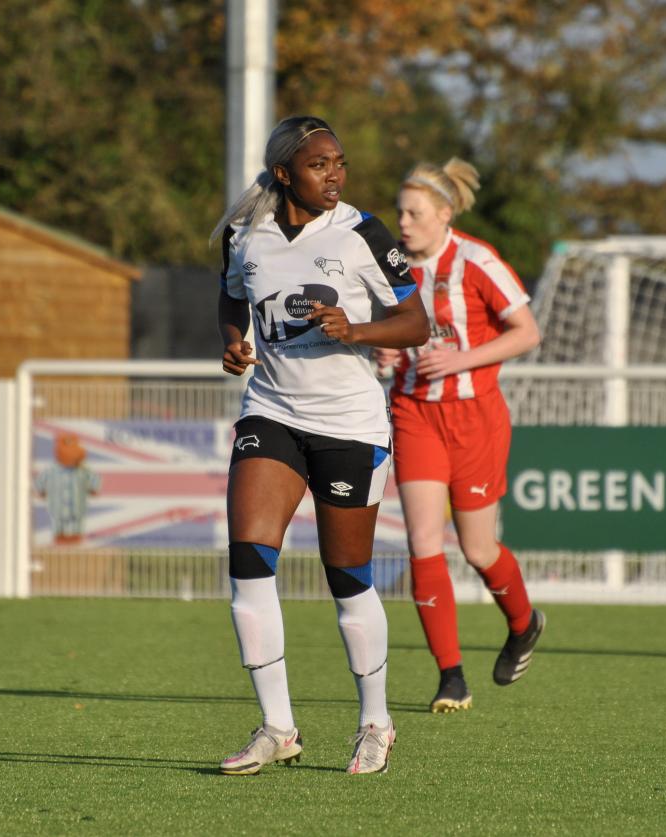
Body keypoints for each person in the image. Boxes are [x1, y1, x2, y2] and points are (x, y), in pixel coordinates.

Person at [210, 115, 428, 776]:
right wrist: (233, 338)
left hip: (349, 422)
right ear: (285, 172)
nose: (335, 174)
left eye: (339, 162)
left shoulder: (363, 231)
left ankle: (376, 722)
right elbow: (229, 296)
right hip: (271, 411)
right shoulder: (244, 234)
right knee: (248, 563)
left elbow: (417, 320)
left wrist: (356, 330)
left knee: (346, 577)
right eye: (319, 164)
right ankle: (277, 725)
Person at [374, 158, 544, 714]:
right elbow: (387, 333)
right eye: (399, 210)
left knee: (477, 548)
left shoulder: (476, 260)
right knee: (423, 541)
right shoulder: (389, 265)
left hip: (474, 418)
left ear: (444, 214)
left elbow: (527, 333)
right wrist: (381, 349)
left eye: (413, 212)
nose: (402, 222)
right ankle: (451, 678)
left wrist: (462, 359)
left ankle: (523, 623)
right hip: (414, 413)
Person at [34, 432, 100, 545]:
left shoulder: (83, 470)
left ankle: (76, 535)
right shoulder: (51, 470)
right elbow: (41, 479)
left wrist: (93, 488)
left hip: (77, 505)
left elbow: (94, 478)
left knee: (77, 520)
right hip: (57, 505)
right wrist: (41, 491)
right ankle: (59, 535)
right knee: (58, 521)